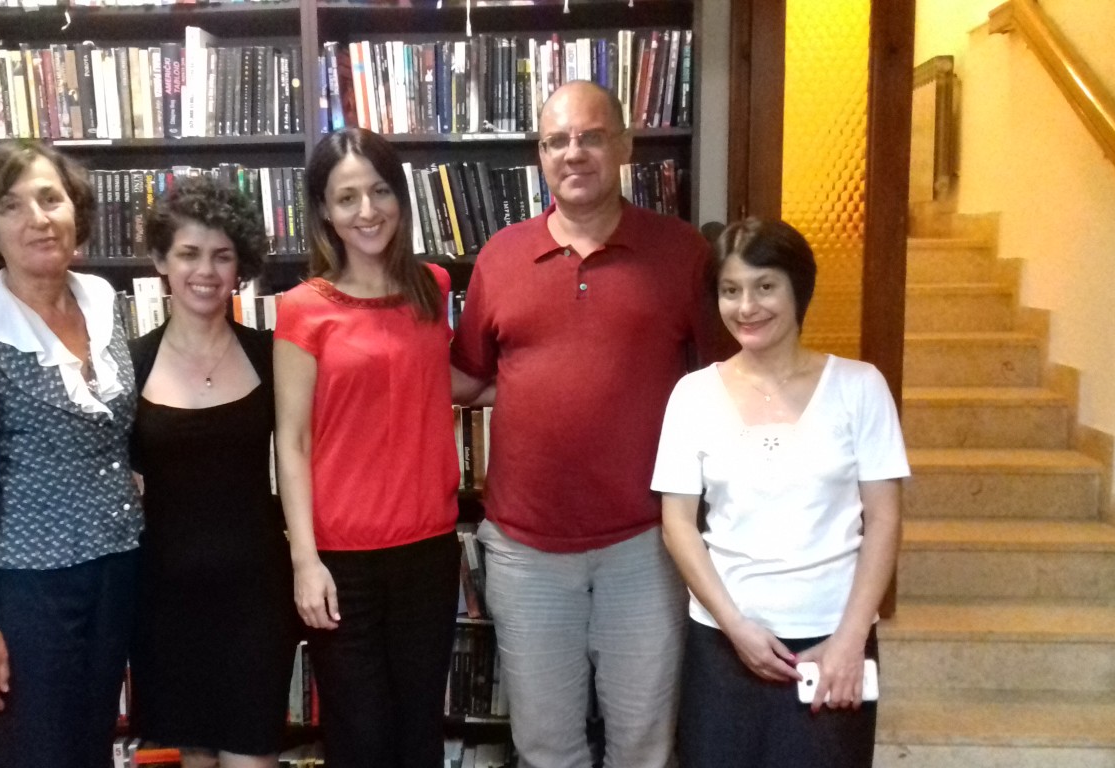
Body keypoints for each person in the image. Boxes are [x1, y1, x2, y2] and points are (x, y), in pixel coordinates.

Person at [450, 80, 735, 768]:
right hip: (525, 551)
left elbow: (728, 379)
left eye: (590, 137)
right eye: (556, 141)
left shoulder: (681, 253)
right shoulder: (501, 256)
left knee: (643, 745)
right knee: (545, 747)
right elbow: (465, 376)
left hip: (647, 544)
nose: (572, 153)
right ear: (540, 156)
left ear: (624, 145)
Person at [652, 218, 909, 768]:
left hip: (833, 641)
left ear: (799, 288)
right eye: (730, 290)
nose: (747, 307)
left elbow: (885, 520)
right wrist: (735, 626)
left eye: (765, 286)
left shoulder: (860, 387)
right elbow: (677, 523)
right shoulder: (693, 394)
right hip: (723, 640)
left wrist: (851, 639)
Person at [0, 141, 142, 768]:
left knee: (92, 744)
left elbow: (120, 432)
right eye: (12, 206)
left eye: (51, 199)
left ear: (75, 209)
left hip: (116, 569)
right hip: (30, 586)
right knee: (37, 752)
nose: (38, 219)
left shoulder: (102, 300)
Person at [273, 128, 460, 768]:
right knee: (360, 740)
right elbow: (292, 439)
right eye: (346, 197)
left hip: (428, 551)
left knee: (419, 734)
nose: (367, 210)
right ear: (325, 211)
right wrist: (305, 560)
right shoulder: (303, 308)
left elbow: (430, 374)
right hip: (341, 563)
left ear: (400, 197)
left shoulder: (433, 287)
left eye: (380, 191)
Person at [128, 176, 298, 768]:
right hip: (163, 603)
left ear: (240, 266)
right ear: (161, 261)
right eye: (189, 253)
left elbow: (304, 454)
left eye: (222, 255)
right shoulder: (129, 363)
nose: (205, 271)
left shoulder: (271, 354)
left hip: (257, 599)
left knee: (253, 757)